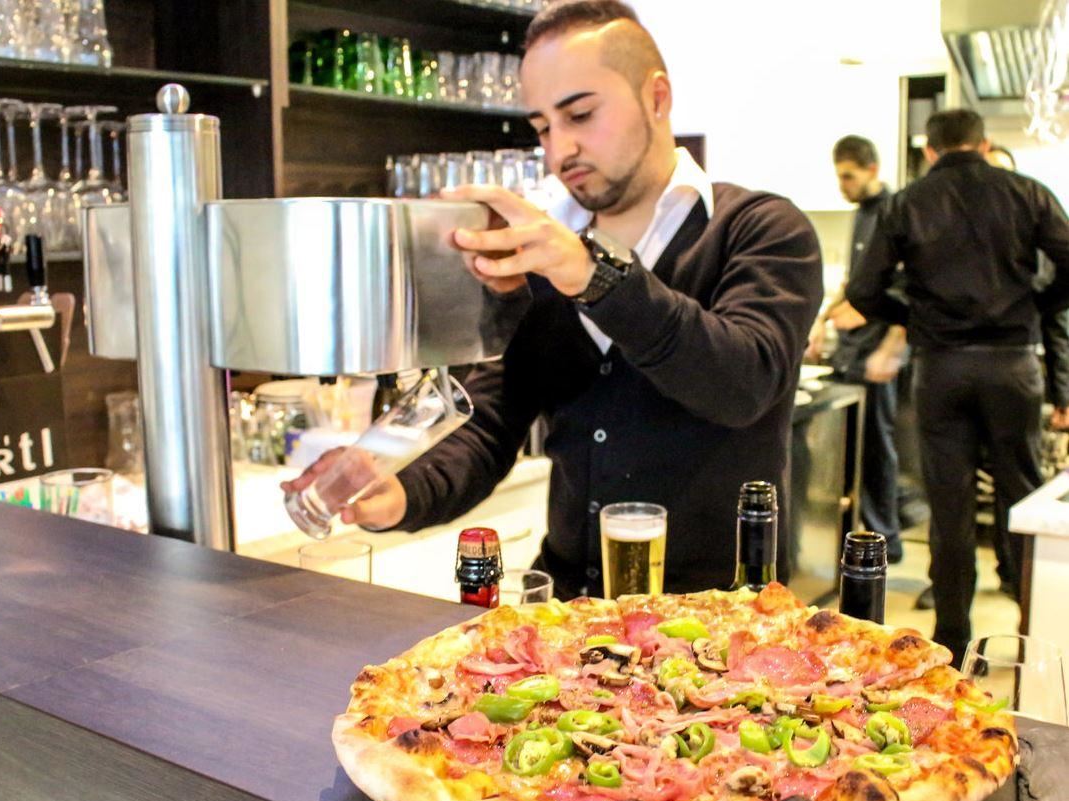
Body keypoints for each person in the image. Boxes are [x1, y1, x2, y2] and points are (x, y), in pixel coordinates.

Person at [284, 0, 823, 599]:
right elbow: (490, 419)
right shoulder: (543, 258)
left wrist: (592, 274)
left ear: (658, 98)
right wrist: (403, 489)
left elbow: (740, 382)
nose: (559, 150)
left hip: (719, 622)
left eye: (581, 115)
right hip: (564, 615)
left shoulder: (760, 229)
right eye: (543, 127)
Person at [847, 109, 1069, 665]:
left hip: (942, 367)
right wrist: (1035, 305)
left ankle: (956, 643)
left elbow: (863, 288)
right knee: (1022, 496)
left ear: (930, 150)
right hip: (1013, 364)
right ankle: (1034, 636)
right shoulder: (1027, 193)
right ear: (984, 144)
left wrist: (915, 314)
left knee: (951, 508)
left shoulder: (907, 202)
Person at [807, 135, 905, 564]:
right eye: (838, 175)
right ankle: (848, 545)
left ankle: (887, 543)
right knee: (851, 453)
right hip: (849, 353)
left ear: (872, 170)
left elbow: (902, 287)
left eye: (848, 175)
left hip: (874, 357)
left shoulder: (895, 212)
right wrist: (823, 319)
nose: (842, 184)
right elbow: (855, 283)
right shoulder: (861, 215)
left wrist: (878, 332)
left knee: (876, 454)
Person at [982, 144, 1069, 601]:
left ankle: (1016, 574)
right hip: (996, 370)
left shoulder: (1033, 243)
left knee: (1015, 480)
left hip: (1018, 365)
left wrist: (1063, 394)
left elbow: (1057, 325)